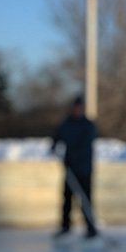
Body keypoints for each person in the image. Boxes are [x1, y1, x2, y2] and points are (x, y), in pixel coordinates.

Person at [51, 96, 99, 240]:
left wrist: (74, 157)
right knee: (67, 200)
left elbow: (85, 146)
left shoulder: (87, 125)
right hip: (69, 170)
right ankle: (65, 227)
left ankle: (91, 228)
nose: (76, 110)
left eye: (78, 107)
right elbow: (58, 136)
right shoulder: (67, 123)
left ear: (82, 108)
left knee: (85, 199)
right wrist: (54, 145)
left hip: (84, 169)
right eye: (74, 107)